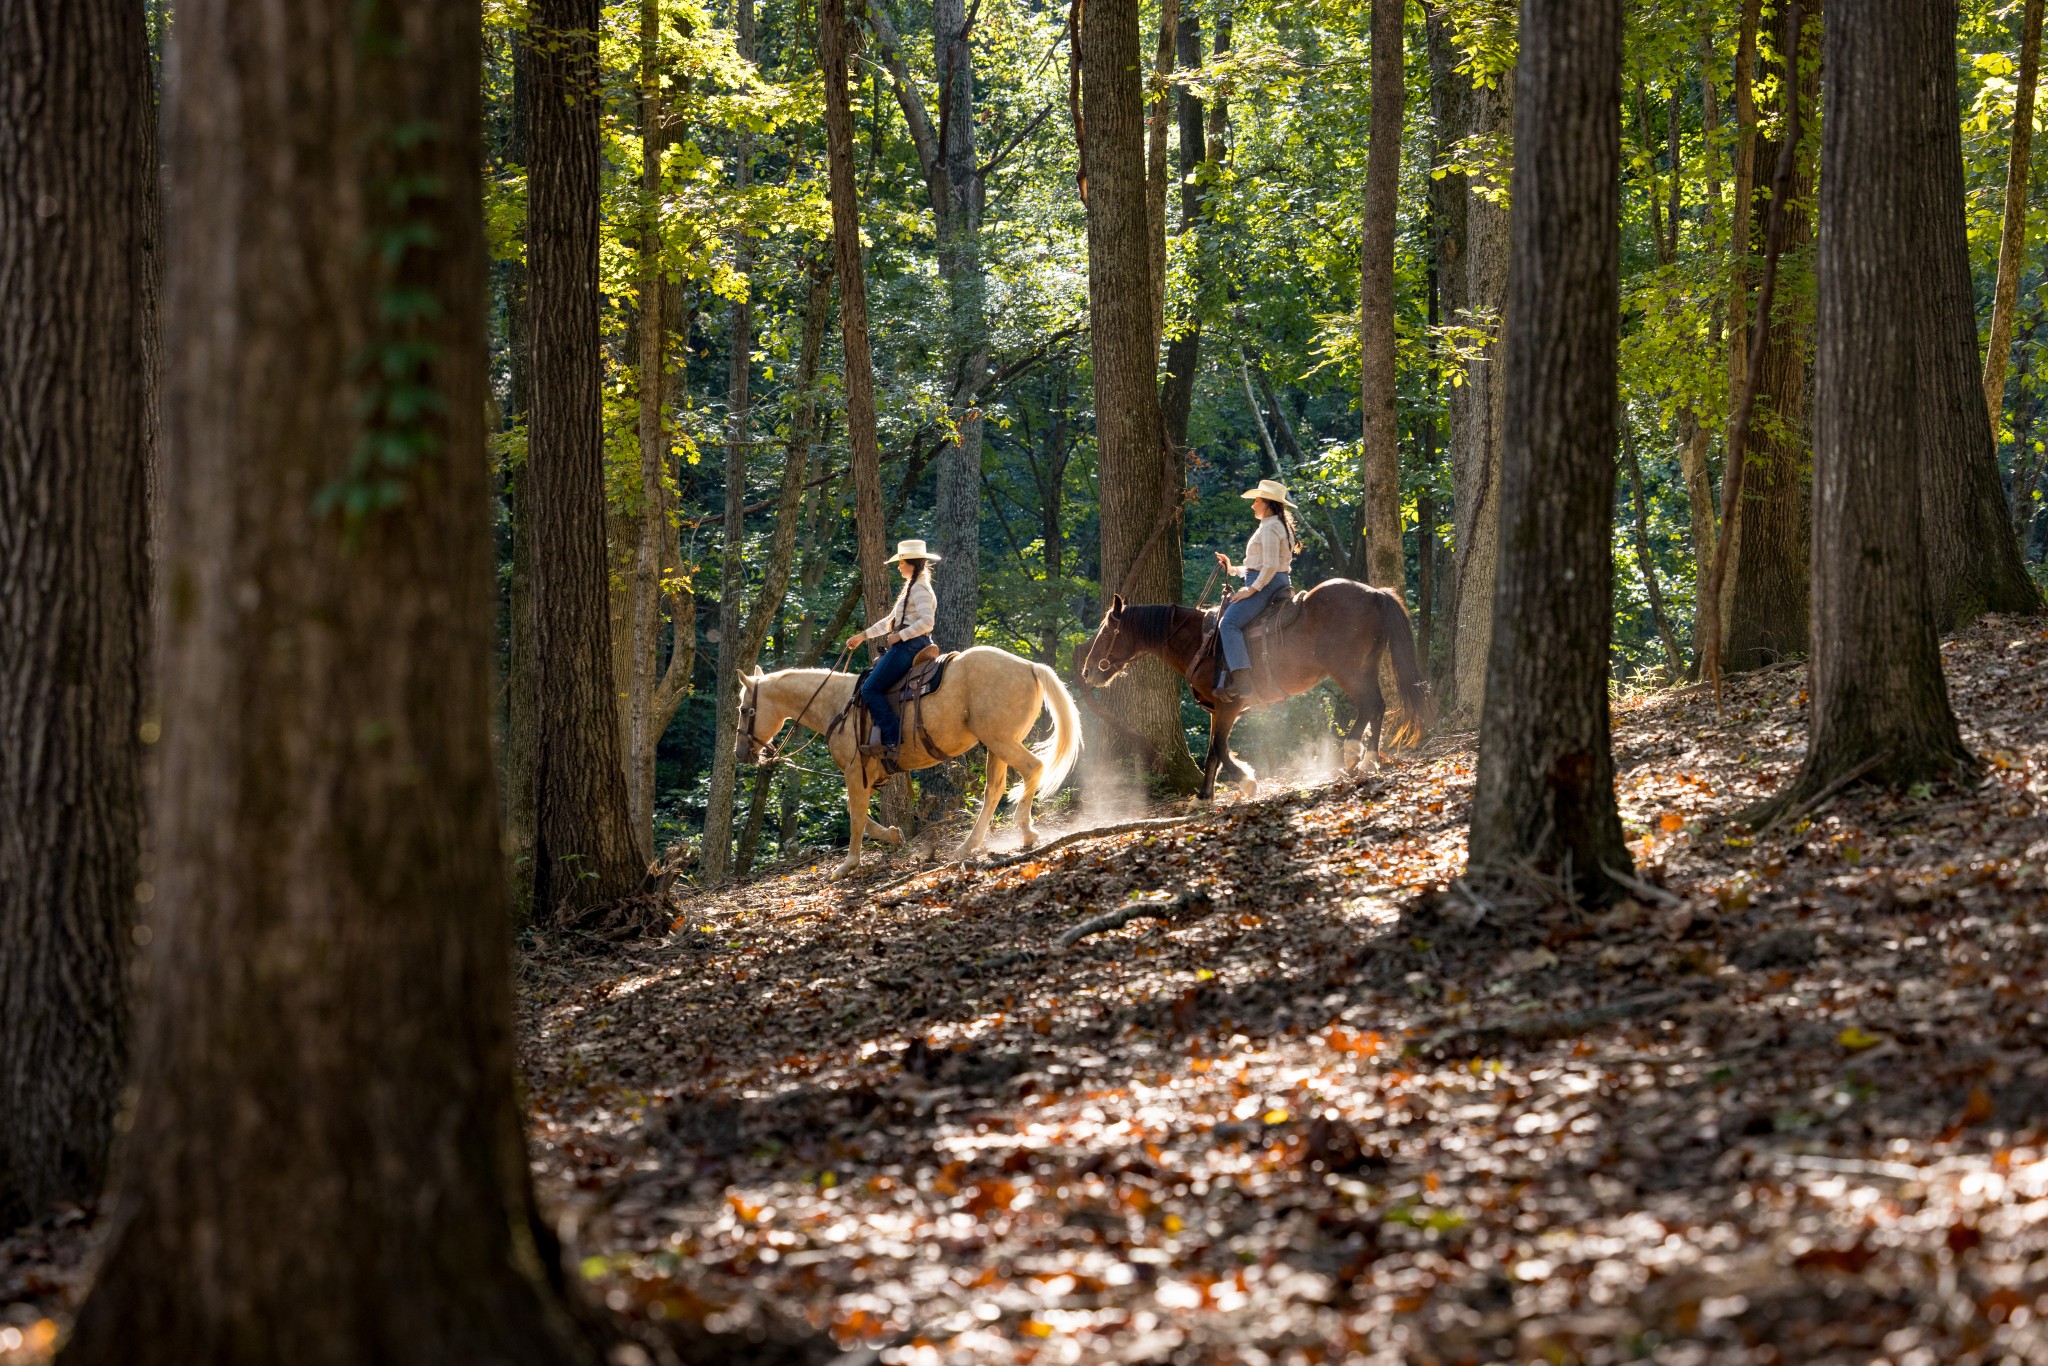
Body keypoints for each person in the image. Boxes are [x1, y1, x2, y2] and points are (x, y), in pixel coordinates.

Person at [847, 538, 940, 772]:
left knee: (869, 689)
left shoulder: (919, 589)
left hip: (910, 645)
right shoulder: (912, 586)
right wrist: (863, 636)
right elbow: (890, 622)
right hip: (910, 643)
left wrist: (902, 636)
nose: (898, 567)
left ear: (913, 564)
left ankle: (891, 736)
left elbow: (927, 622)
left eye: (901, 563)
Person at [1211, 478, 1300, 700]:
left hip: (1267, 583)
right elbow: (1260, 566)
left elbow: (1269, 567)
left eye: (1257, 500)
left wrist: (1251, 590)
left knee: (1228, 623)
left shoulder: (1271, 528)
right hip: (1269, 580)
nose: (1253, 505)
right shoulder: (1273, 525)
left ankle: (1242, 681)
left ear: (1268, 503)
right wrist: (1232, 569)